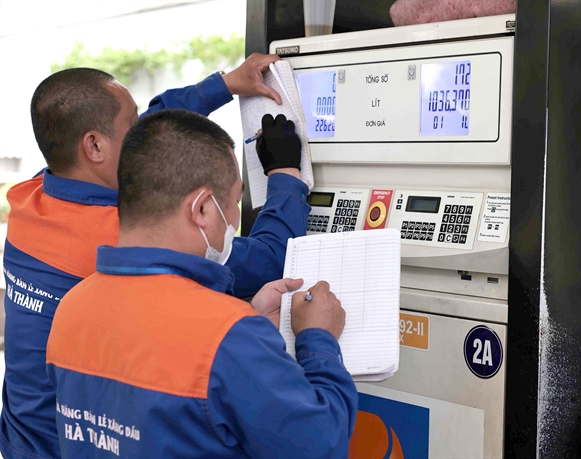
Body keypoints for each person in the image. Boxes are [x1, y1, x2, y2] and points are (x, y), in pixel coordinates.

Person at [1, 56, 310, 459]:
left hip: (21, 434)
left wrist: (225, 84)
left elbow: (149, 128)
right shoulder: (121, 237)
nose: (143, 134)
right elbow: (269, 258)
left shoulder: (31, 196)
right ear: (94, 145)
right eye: (132, 125)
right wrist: (285, 174)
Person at [46, 108, 357, 458]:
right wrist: (318, 338)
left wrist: (250, 319)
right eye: (235, 201)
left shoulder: (72, 307)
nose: (235, 216)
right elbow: (322, 445)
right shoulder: (228, 337)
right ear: (203, 209)